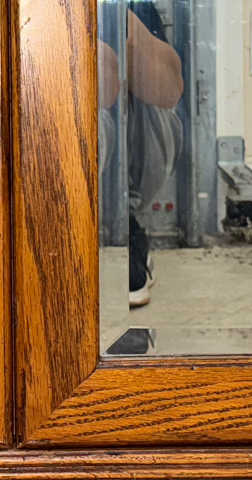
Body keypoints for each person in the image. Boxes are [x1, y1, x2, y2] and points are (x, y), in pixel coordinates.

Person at [98, 3, 184, 308]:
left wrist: (117, 21)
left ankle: (123, 228)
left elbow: (168, 91)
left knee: (126, 76)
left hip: (125, 175)